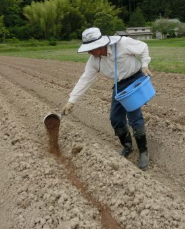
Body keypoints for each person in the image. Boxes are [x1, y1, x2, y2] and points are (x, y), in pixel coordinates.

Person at [62, 27, 152, 170]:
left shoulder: (122, 44)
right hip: (120, 84)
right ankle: (127, 146)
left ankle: (143, 152)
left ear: (100, 44)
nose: (89, 52)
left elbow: (143, 47)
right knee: (115, 118)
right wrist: (71, 101)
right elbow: (85, 80)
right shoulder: (94, 61)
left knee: (134, 115)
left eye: (91, 49)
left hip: (134, 78)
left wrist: (145, 65)